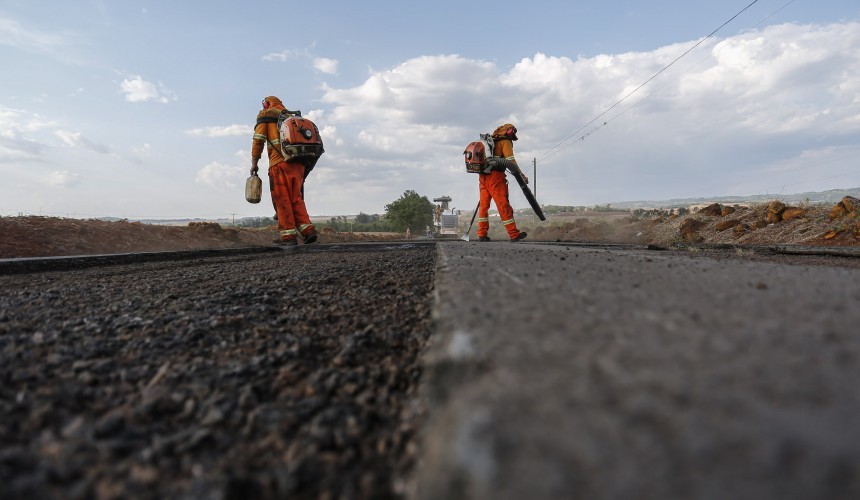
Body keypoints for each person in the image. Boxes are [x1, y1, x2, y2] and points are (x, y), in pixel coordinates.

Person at [251, 96, 317, 246]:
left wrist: (254, 163)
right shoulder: (290, 118)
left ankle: (288, 237)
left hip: (279, 165)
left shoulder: (266, 118)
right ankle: (308, 231)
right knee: (296, 198)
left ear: (266, 105)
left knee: (282, 200)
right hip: (298, 163)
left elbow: (258, 141)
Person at [476, 123, 528, 242]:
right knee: (503, 205)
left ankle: (482, 234)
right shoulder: (506, 142)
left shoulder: (491, 142)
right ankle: (514, 234)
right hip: (495, 177)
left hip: (483, 177)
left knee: (483, 207)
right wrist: (522, 175)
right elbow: (511, 161)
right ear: (510, 133)